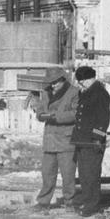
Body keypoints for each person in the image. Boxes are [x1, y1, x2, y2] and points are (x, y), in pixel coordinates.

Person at [33, 67, 78, 208]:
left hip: (66, 140)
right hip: (50, 139)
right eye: (50, 83)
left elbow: (76, 113)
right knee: (47, 174)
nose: (52, 85)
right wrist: (41, 115)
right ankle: (43, 202)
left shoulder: (74, 92)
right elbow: (40, 109)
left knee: (68, 174)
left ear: (62, 79)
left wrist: (55, 117)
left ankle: (70, 202)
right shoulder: (46, 92)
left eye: (54, 82)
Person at [70, 65, 110, 216]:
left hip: (93, 141)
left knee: (92, 175)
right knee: (84, 174)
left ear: (91, 79)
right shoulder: (86, 92)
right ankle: (87, 200)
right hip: (83, 140)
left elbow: (103, 119)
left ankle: (92, 204)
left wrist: (97, 138)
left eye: (83, 82)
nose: (81, 85)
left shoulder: (100, 93)